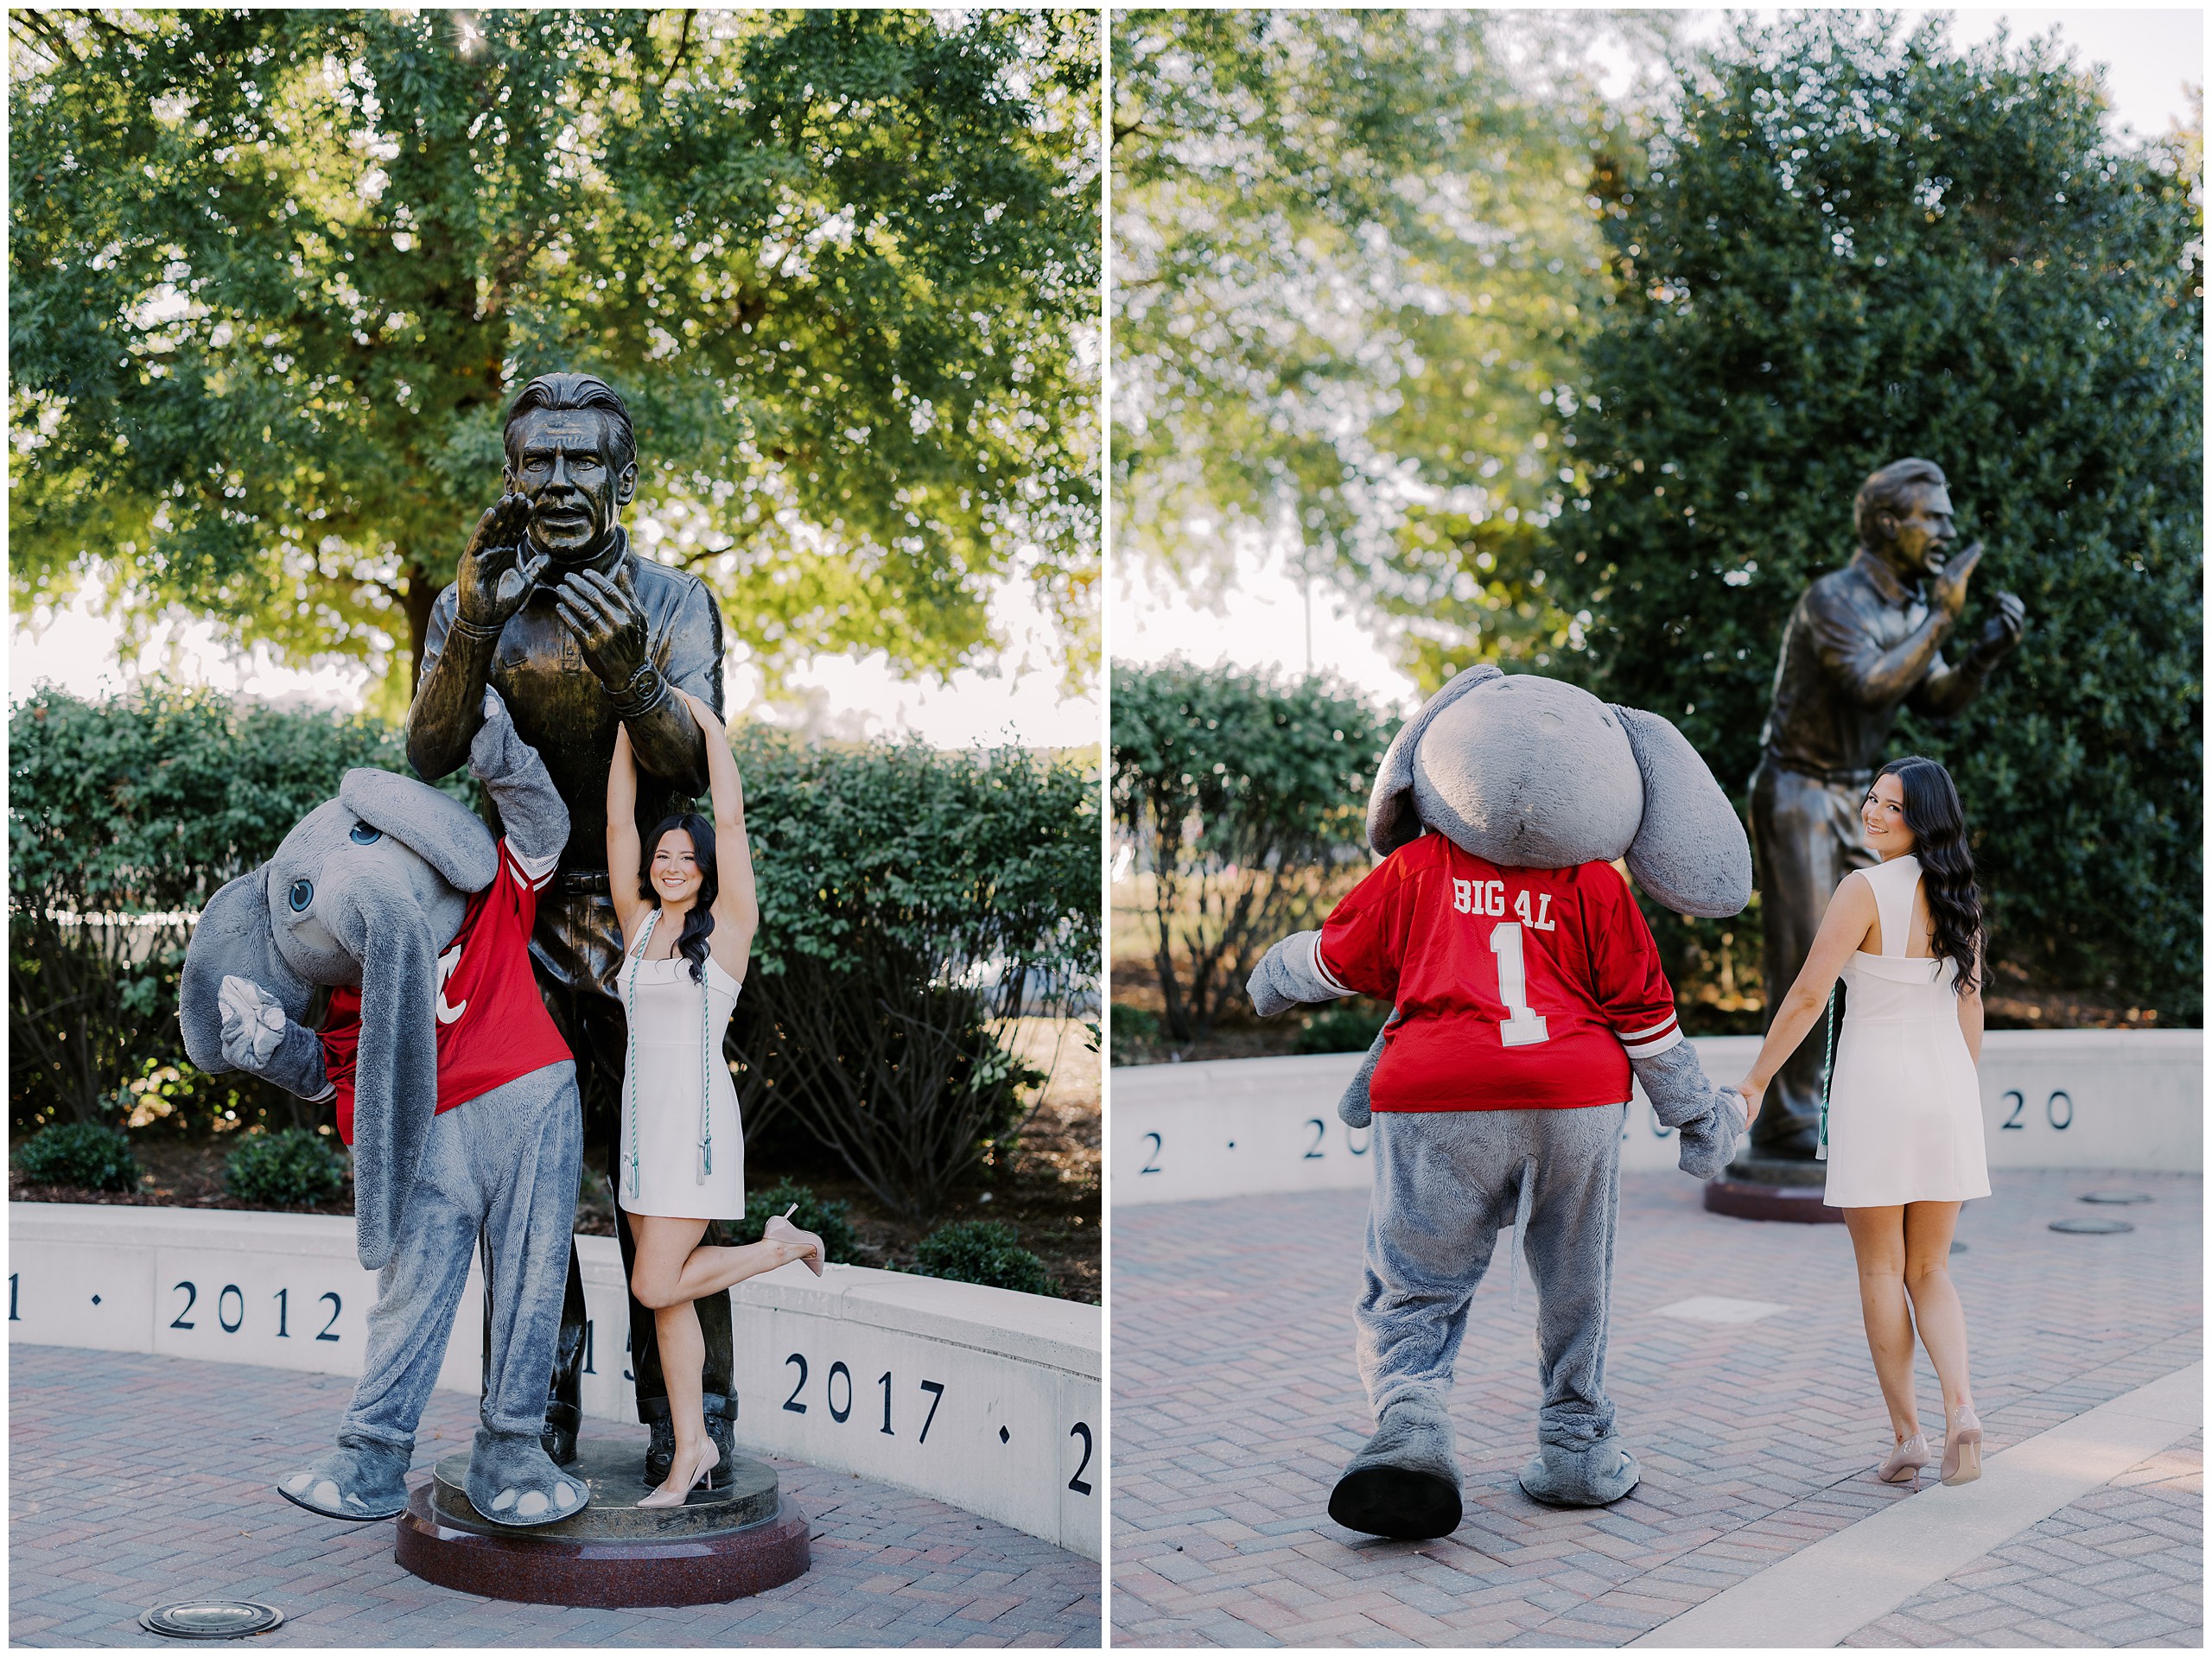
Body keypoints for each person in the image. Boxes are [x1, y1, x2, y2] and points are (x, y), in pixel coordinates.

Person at [1746, 459, 2024, 1159]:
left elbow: (1929, 695)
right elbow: (1872, 685)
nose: (1950, 529)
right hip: (1802, 790)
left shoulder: (1902, 608)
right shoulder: (1833, 600)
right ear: (1885, 524)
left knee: (1882, 953)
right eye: (1935, 516)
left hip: (1862, 799)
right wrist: (1941, 618)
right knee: (1809, 953)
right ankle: (1787, 1116)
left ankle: (1826, 1108)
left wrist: (1981, 659)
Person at [1736, 755, 1990, 1486]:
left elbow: (1810, 994)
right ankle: (1963, 1409)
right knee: (1932, 1267)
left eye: (1893, 807)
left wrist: (1757, 1081)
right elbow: (1968, 1008)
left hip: (1876, 1091)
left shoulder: (1862, 889)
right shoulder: (1962, 897)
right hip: (1947, 1091)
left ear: (1924, 820)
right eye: (1874, 799)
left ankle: (1910, 1436)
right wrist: (1959, 1098)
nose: (1874, 812)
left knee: (1882, 1268)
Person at [604, 684, 823, 1506]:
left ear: (703, 870)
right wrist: (628, 732)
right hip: (638, 1132)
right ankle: (690, 1450)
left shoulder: (726, 932)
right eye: (662, 857)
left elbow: (730, 824)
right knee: (668, 1305)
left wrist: (711, 730)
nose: (667, 866)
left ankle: (779, 1247)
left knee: (656, 1283)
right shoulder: (636, 924)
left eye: (681, 858)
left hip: (692, 1130)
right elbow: (619, 825)